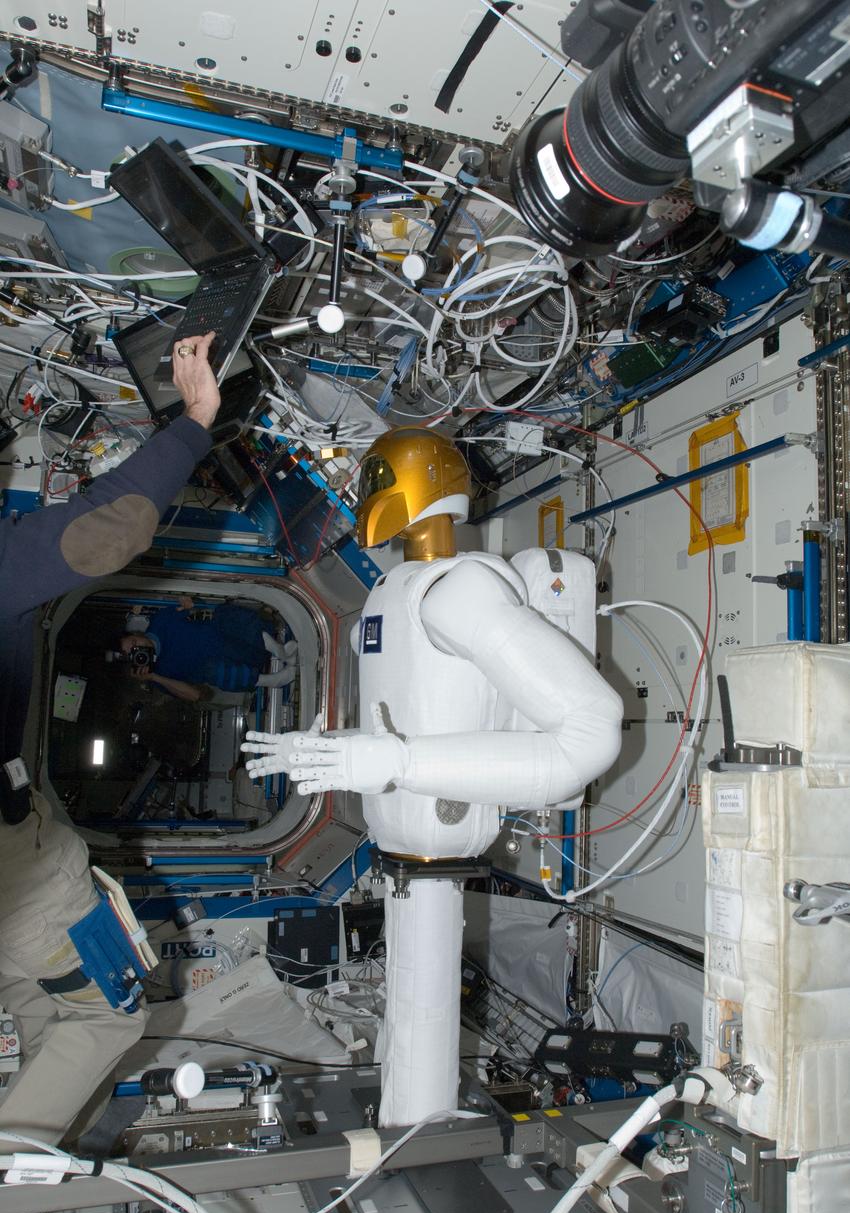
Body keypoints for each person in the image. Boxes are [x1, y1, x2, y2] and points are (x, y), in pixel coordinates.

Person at [241, 426, 625, 1127]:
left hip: (439, 846)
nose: (366, 500)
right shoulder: (390, 595)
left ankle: (419, 1142)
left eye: (375, 482)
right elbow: (405, 710)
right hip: (401, 854)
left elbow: (592, 728)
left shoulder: (458, 593)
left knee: (419, 1046)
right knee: (406, 1030)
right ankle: (407, 1133)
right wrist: (330, 750)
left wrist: (400, 763)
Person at [0, 331, 221, 1152]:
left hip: (21, 853)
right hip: (19, 846)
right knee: (110, 1010)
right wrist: (196, 418)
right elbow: (106, 533)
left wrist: (149, 680)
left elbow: (196, 697)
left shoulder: (155, 682)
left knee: (37, 992)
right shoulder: (88, 673)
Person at [111, 604, 297, 704]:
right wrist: (155, 677)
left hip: (234, 637)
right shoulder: (157, 673)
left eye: (135, 644)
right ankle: (272, 680)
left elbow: (189, 605)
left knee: (222, 614)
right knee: (212, 670)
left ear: (136, 633)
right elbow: (194, 695)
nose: (140, 650)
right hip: (231, 668)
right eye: (134, 654)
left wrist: (185, 604)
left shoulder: (159, 622)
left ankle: (279, 650)